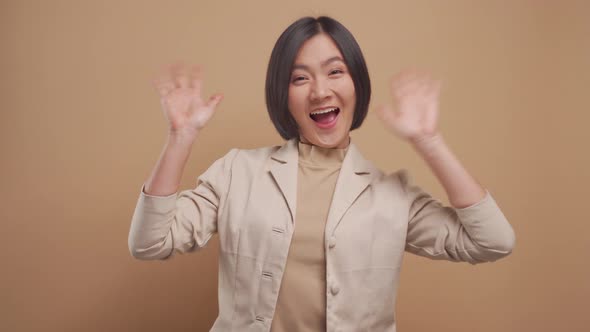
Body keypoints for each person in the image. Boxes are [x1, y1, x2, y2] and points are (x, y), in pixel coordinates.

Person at [128, 16, 515, 332]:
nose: (319, 91)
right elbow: (149, 242)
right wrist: (180, 137)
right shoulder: (237, 172)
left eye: (335, 72)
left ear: (356, 84)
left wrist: (429, 141)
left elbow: (493, 241)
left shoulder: (394, 195)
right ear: (283, 95)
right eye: (300, 78)